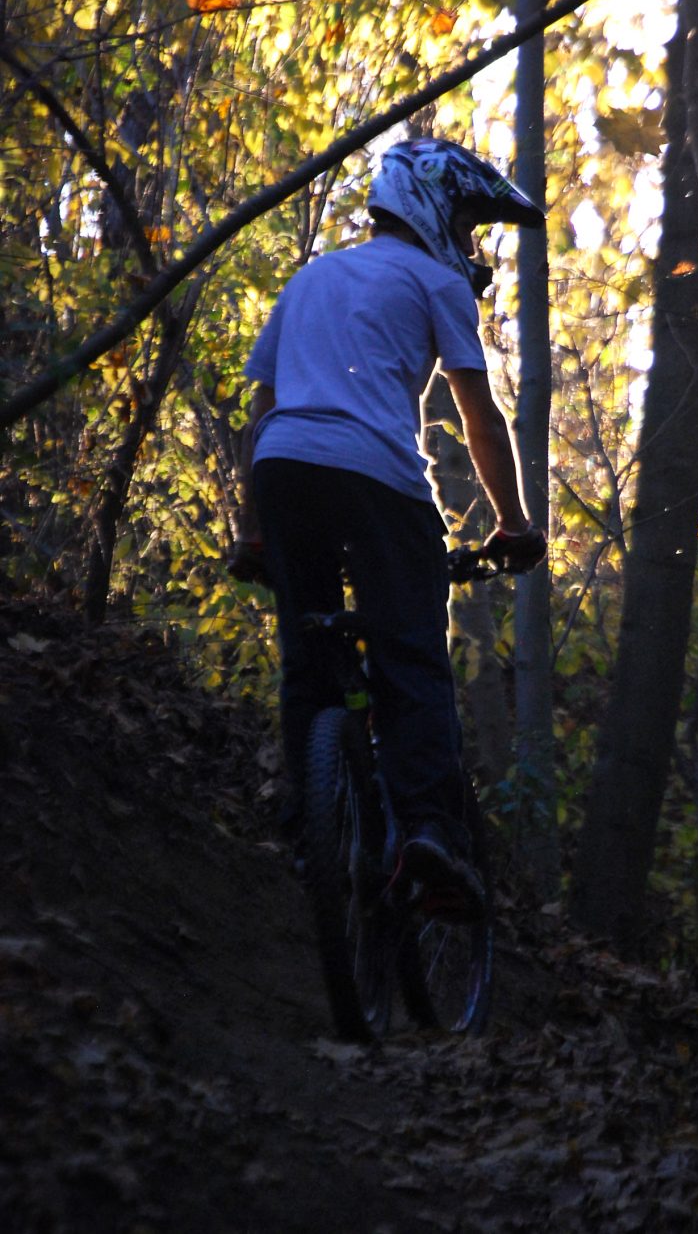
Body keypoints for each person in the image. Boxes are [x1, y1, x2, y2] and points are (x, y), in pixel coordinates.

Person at [231, 137, 548, 911]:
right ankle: (429, 832)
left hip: (284, 468)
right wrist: (513, 523)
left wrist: (254, 529)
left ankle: (309, 827)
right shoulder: (437, 281)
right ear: (433, 205)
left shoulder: (310, 279)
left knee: (308, 660)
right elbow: (478, 412)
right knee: (409, 655)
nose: (470, 244)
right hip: (377, 476)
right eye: (468, 223)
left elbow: (261, 411)